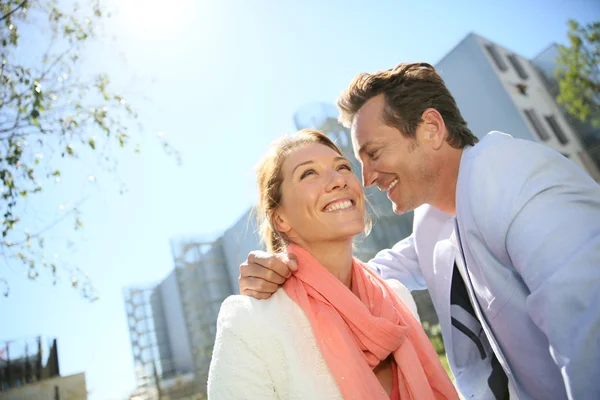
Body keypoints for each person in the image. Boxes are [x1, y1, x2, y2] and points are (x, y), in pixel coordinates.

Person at [239, 63, 600, 400]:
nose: (366, 179)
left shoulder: (523, 182)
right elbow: (366, 276)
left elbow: (590, 333)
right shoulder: (434, 218)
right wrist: (286, 269)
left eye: (374, 153)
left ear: (431, 129)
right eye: (359, 162)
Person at [207, 129, 459, 400]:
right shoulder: (250, 322)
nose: (338, 180)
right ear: (280, 219)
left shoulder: (398, 298)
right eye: (308, 173)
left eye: (342, 167)